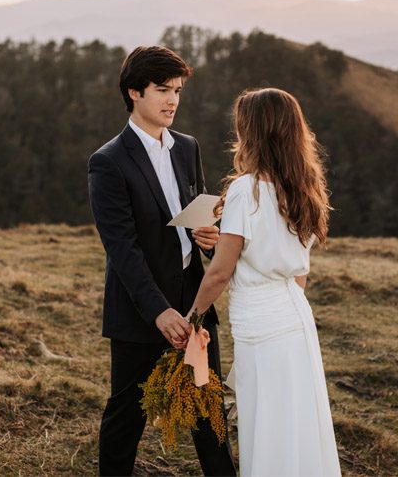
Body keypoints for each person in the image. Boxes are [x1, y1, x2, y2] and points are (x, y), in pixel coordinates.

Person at [88, 46, 236, 476]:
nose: (172, 100)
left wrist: (209, 239)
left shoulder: (187, 147)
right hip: (140, 314)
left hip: (195, 305)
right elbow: (122, 250)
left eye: (178, 90)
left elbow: (199, 217)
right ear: (134, 92)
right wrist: (158, 311)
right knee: (126, 418)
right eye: (161, 90)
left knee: (209, 413)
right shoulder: (108, 162)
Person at [186, 88, 341, 477]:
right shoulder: (302, 187)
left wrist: (193, 317)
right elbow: (297, 272)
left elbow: (221, 271)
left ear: (252, 133)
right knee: (297, 418)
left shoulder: (245, 189)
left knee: (268, 420)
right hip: (294, 313)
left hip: (260, 321)